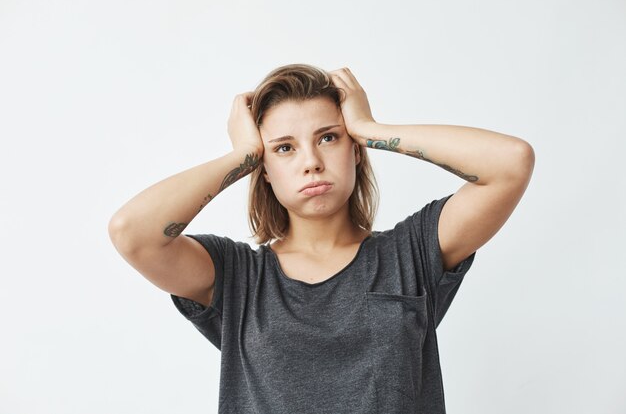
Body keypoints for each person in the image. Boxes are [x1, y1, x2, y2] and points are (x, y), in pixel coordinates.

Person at [108, 64, 534, 413]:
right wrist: (241, 155)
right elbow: (132, 233)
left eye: (328, 137)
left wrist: (369, 127)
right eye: (285, 148)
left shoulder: (412, 253)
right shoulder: (236, 276)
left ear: (354, 150)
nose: (311, 162)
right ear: (264, 167)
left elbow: (511, 163)